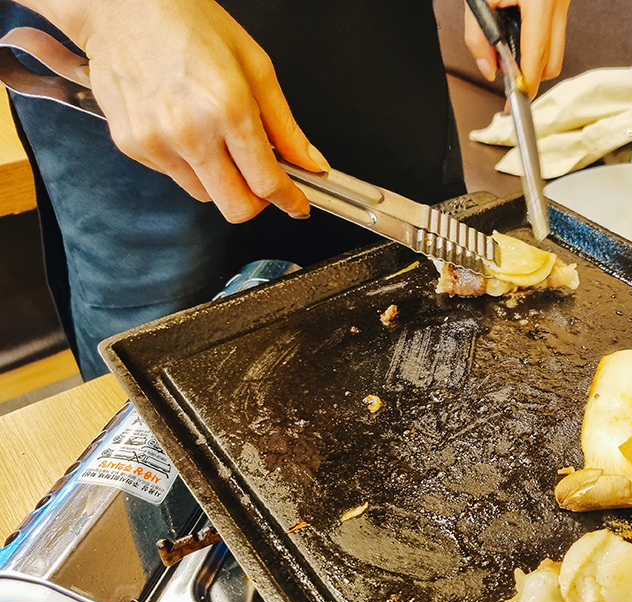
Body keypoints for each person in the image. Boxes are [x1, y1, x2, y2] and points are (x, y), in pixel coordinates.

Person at [0, 0, 570, 379]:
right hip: (132, 68)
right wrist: (112, 16)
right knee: (161, 389)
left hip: (370, 45)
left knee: (424, 331)